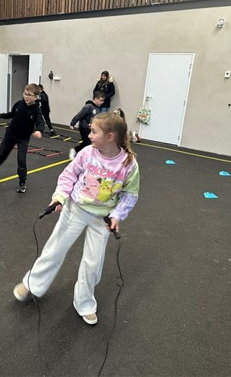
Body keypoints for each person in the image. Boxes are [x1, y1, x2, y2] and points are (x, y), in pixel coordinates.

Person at [13, 112, 140, 325]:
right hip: (76, 209)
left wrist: (117, 215)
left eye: (94, 132)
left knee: (93, 264)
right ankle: (32, 284)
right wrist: (60, 197)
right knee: (54, 250)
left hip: (102, 219)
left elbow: (130, 194)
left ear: (110, 137)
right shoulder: (87, 153)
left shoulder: (129, 164)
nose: (89, 135)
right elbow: (69, 175)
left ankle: (85, 303)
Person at [0, 83, 45, 193]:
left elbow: (40, 123)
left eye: (29, 95)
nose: (26, 96)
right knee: (1, 154)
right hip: (11, 133)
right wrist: (0, 115)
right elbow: (12, 114)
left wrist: (39, 131)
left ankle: (22, 182)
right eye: (25, 93)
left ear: (36, 97)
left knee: (21, 160)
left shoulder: (37, 110)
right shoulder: (19, 104)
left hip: (23, 138)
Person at [69, 91, 104, 160]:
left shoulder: (97, 108)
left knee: (89, 142)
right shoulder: (89, 106)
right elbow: (80, 114)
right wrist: (73, 123)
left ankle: (78, 151)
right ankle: (76, 151)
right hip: (84, 127)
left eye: (103, 100)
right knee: (88, 142)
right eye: (101, 100)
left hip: (91, 129)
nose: (102, 102)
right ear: (96, 98)